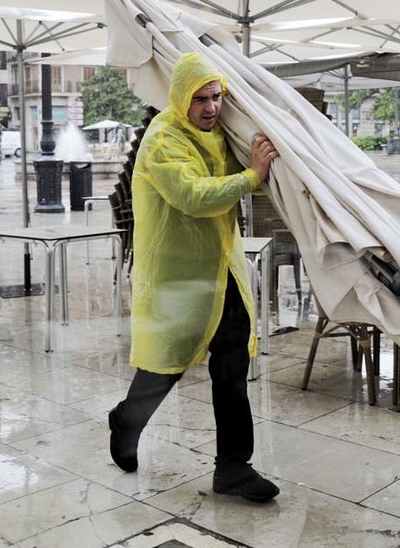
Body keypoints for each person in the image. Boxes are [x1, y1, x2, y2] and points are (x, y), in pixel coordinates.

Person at [107, 52, 281, 503]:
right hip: (177, 274)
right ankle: (127, 421)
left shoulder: (223, 134)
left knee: (232, 365)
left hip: (221, 270)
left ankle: (233, 468)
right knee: (165, 364)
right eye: (200, 99)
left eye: (216, 96)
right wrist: (251, 177)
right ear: (181, 98)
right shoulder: (164, 138)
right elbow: (193, 196)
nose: (210, 107)